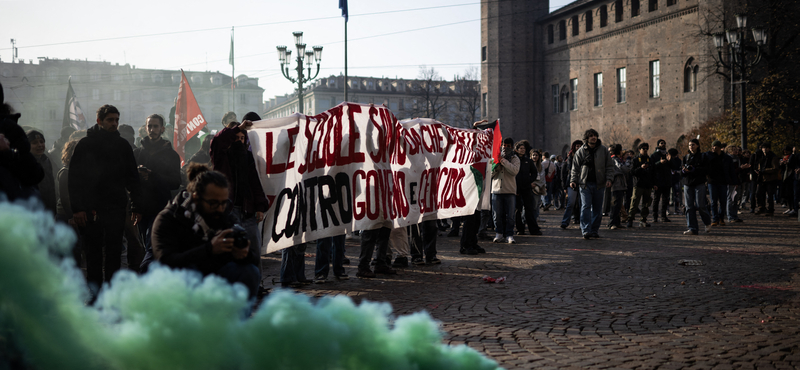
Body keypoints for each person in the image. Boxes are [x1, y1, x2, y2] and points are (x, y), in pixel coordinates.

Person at [152, 163, 261, 298]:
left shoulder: (225, 217)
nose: (220, 209)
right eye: (213, 203)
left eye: (224, 203)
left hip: (214, 277)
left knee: (249, 272)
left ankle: (236, 317)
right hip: (177, 287)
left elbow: (253, 259)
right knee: (189, 274)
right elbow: (165, 262)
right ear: (196, 198)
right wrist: (209, 249)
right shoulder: (169, 218)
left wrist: (244, 254)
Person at [68, 104, 142, 291]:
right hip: (91, 210)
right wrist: (78, 209)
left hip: (115, 208)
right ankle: (94, 294)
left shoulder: (123, 145)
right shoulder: (85, 145)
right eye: (110, 120)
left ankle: (111, 294)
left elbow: (132, 178)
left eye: (116, 120)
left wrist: (136, 206)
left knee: (114, 254)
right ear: (99, 121)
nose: (114, 124)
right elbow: (75, 179)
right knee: (93, 254)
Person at [210, 112, 269, 262]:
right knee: (233, 252)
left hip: (248, 211)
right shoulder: (221, 158)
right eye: (235, 138)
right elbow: (218, 141)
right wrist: (238, 128)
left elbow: (254, 183)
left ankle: (256, 284)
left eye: (242, 138)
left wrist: (260, 207)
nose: (239, 141)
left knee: (254, 249)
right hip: (230, 210)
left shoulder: (249, 158)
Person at [134, 114, 182, 272]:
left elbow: (175, 182)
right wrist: (135, 207)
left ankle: (143, 276)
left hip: (160, 207)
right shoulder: (138, 153)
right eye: (149, 126)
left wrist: (153, 175)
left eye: (155, 126)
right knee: (146, 247)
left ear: (162, 129)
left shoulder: (171, 155)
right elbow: (131, 182)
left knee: (151, 246)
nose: (152, 130)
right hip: (141, 208)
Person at [569, 129, 613, 239]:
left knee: (598, 208)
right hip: (585, 184)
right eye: (591, 136)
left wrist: (609, 179)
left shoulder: (603, 150)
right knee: (585, 206)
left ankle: (594, 230)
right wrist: (573, 180)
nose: (593, 137)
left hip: (599, 183)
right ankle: (585, 230)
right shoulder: (581, 151)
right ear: (587, 138)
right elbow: (575, 168)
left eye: (595, 136)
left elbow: (609, 166)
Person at [491, 137, 520, 243]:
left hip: (510, 190)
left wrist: (503, 161)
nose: (505, 148)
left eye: (508, 146)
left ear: (512, 147)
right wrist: (496, 167)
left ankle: (509, 234)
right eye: (504, 145)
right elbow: (489, 174)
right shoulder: (495, 158)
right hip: (496, 190)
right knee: (497, 215)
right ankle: (499, 233)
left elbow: (514, 171)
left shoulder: (515, 158)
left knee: (510, 215)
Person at [681, 139, 712, 235]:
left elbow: (706, 170)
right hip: (688, 183)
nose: (691, 147)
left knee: (700, 205)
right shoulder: (686, 157)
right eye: (690, 145)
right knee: (689, 206)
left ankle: (707, 222)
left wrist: (694, 169)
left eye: (693, 145)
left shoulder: (703, 157)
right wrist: (684, 171)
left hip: (699, 183)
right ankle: (692, 228)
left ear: (698, 146)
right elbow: (682, 170)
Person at [514, 140, 542, 236]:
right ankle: (520, 229)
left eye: (524, 148)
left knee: (529, 209)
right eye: (520, 148)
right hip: (516, 188)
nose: (522, 150)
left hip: (526, 187)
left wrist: (529, 180)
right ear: (516, 150)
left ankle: (533, 229)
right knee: (518, 210)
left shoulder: (528, 161)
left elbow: (534, 172)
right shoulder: (514, 160)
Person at [26, 130, 57, 214]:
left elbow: (51, 186)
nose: (39, 145)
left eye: (41, 142)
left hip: (48, 210)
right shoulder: (24, 163)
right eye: (34, 142)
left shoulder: (46, 160)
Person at [627, 142, 655, 228]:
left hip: (647, 185)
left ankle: (643, 220)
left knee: (646, 204)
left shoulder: (650, 160)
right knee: (634, 203)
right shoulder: (635, 160)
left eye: (646, 148)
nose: (645, 150)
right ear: (639, 150)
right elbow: (632, 172)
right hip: (638, 185)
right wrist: (641, 168)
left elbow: (653, 173)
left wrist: (654, 184)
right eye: (643, 148)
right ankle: (630, 219)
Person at [705, 140, 732, 226]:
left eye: (715, 147)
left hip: (723, 181)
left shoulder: (726, 158)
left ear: (719, 148)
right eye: (712, 147)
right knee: (713, 201)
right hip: (712, 181)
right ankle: (715, 218)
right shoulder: (709, 156)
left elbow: (730, 171)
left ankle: (721, 217)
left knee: (723, 201)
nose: (713, 148)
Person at [560, 140, 584, 229]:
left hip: (582, 183)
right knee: (570, 203)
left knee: (583, 204)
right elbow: (564, 173)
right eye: (577, 146)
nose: (578, 148)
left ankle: (583, 223)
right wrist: (564, 186)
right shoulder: (569, 158)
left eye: (580, 146)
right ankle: (565, 222)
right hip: (571, 184)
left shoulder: (585, 156)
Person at [753, 142, 781, 215]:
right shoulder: (761, 156)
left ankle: (770, 209)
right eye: (763, 148)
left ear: (769, 148)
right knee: (759, 193)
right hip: (762, 178)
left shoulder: (773, 157)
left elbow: (775, 168)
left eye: (766, 148)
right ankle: (761, 207)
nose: (764, 149)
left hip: (770, 179)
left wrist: (764, 171)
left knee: (770, 195)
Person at [650, 139, 674, 223]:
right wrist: (659, 162)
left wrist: (670, 159)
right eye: (661, 143)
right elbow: (651, 167)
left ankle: (664, 216)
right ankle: (655, 217)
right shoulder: (654, 155)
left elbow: (672, 167)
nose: (663, 144)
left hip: (667, 181)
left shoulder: (667, 154)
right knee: (656, 200)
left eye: (664, 143)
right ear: (658, 144)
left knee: (665, 200)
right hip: (658, 181)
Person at [608, 144, 631, 229]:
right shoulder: (614, 159)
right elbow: (624, 169)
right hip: (616, 184)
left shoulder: (617, 159)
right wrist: (628, 162)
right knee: (615, 204)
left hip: (620, 184)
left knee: (618, 204)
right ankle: (612, 223)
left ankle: (617, 222)